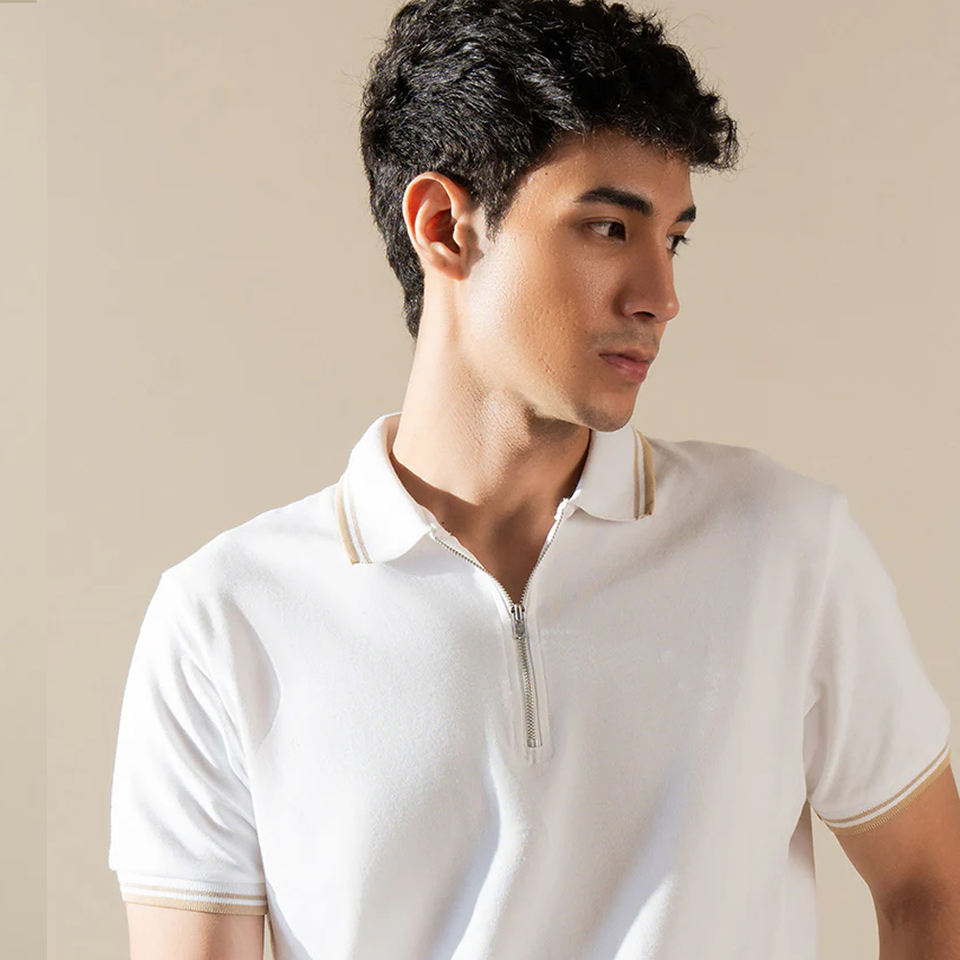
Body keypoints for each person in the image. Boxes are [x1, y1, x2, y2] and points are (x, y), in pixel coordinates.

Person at [108, 1, 960, 957]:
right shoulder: (225, 618)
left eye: (673, 239)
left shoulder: (787, 546)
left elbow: (933, 885)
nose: (661, 296)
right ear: (444, 226)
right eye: (608, 227)